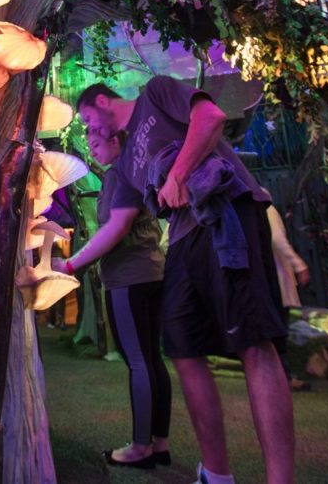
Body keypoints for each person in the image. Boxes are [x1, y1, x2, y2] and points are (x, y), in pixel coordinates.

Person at [69, 78, 293, 484]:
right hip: (184, 239)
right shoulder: (127, 163)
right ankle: (217, 476)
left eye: (87, 119)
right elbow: (118, 223)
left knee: (254, 343)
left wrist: (178, 174)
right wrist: (72, 264)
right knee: (183, 349)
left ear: (102, 102)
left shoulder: (155, 93)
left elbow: (210, 117)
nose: (90, 130)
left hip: (228, 212)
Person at [53, 130, 171, 469]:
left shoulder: (120, 175)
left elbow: (114, 230)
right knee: (152, 359)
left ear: (115, 140)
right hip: (152, 272)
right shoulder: (137, 171)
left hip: (129, 277)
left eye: (95, 141)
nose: (91, 149)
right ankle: (159, 444)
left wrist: (71, 264)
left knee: (139, 362)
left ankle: (140, 447)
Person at [265, 202, 311, 391]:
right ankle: (283, 376)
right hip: (277, 278)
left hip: (267, 279)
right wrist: (299, 265)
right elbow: (277, 239)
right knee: (279, 331)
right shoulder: (267, 208)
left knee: (275, 331)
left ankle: (278, 375)